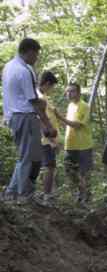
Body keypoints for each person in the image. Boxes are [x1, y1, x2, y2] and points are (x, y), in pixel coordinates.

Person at [1, 38, 57, 202]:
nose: (37, 58)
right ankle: (22, 194)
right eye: (36, 54)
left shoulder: (8, 67)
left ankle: (12, 191)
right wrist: (47, 123)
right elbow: (33, 101)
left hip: (13, 116)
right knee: (29, 158)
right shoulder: (23, 71)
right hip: (25, 117)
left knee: (27, 155)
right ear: (29, 51)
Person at [54, 82, 93, 203]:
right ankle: (80, 193)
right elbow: (68, 124)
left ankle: (86, 198)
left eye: (72, 91)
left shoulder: (85, 106)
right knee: (69, 171)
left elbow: (77, 125)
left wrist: (60, 117)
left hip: (83, 146)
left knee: (83, 173)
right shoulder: (70, 106)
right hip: (70, 145)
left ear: (79, 93)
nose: (69, 94)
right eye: (68, 91)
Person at [35, 71, 60, 203]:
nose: (52, 90)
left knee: (47, 167)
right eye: (52, 87)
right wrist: (51, 140)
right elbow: (40, 119)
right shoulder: (40, 97)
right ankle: (46, 195)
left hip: (47, 139)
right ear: (47, 83)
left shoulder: (42, 96)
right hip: (45, 140)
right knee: (49, 167)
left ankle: (46, 193)